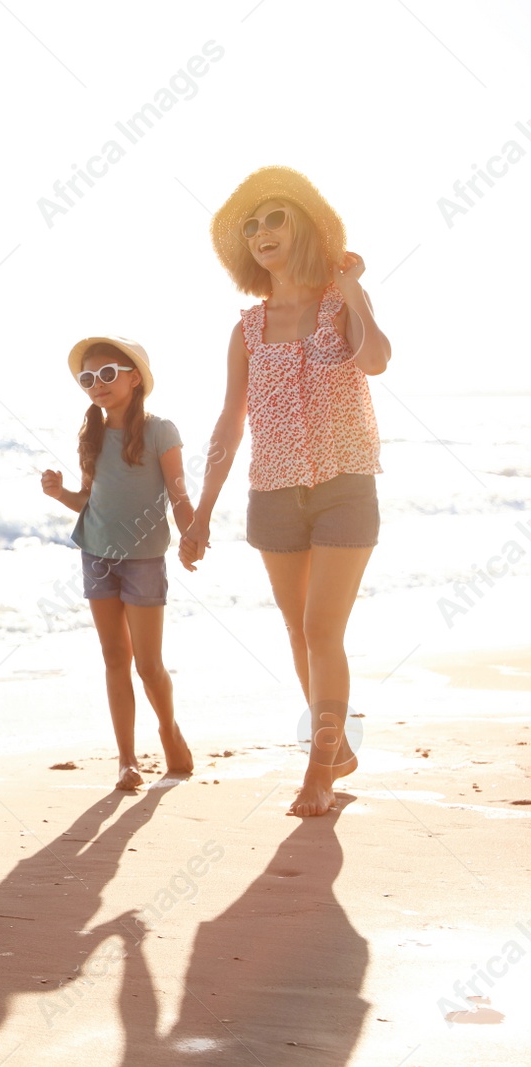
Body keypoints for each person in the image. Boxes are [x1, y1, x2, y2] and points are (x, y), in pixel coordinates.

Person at [180, 166, 392, 818]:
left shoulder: (339, 300)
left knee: (322, 629)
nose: (264, 231)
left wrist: (353, 289)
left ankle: (317, 773)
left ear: (305, 225)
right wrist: (201, 510)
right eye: (252, 224)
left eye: (276, 217)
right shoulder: (247, 328)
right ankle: (337, 747)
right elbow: (229, 421)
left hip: (344, 486)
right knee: (301, 635)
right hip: (271, 492)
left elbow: (377, 359)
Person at [42, 336, 196, 791]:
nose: (97, 384)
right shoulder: (90, 435)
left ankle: (169, 730)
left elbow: (179, 494)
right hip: (97, 557)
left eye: (108, 374)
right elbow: (86, 501)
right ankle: (127, 760)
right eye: (88, 378)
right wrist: (58, 493)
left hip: (146, 560)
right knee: (115, 659)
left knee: (149, 665)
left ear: (134, 378)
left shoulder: (160, 431)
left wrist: (192, 533)